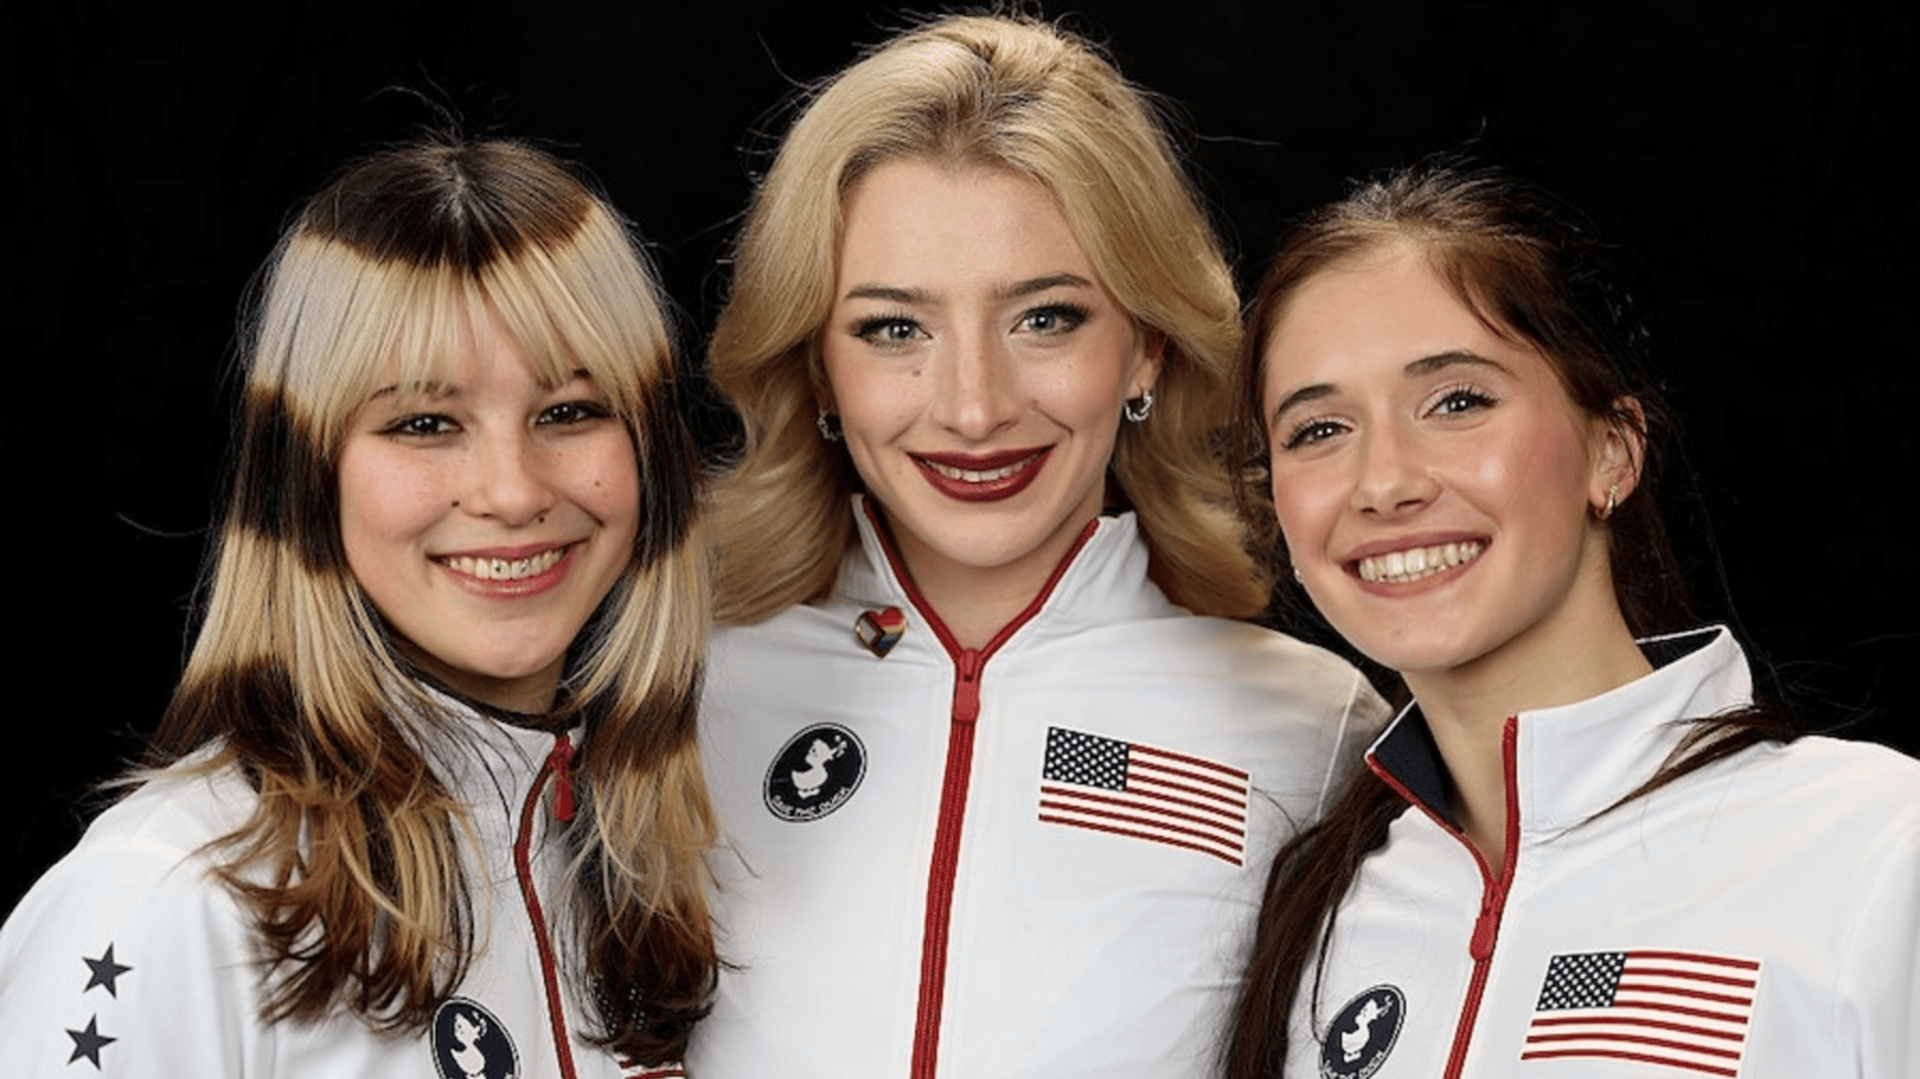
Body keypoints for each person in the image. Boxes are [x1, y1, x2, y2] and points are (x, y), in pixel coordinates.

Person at [690, 14, 1386, 1079]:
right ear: (818, 367)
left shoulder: (1318, 730)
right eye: (893, 328)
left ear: (1147, 345)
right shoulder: (674, 686)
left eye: (1046, 318)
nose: (973, 408)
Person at [0, 139, 716, 1077]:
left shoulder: (655, 864)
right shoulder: (165, 892)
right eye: (424, 423)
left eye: (570, 410)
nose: (511, 491)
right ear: (307, 475)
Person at [1223, 161, 1919, 1078]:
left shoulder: (1877, 846)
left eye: (1457, 402)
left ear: (1614, 450)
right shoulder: (1319, 905)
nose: (1384, 482)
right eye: (1319, 429)